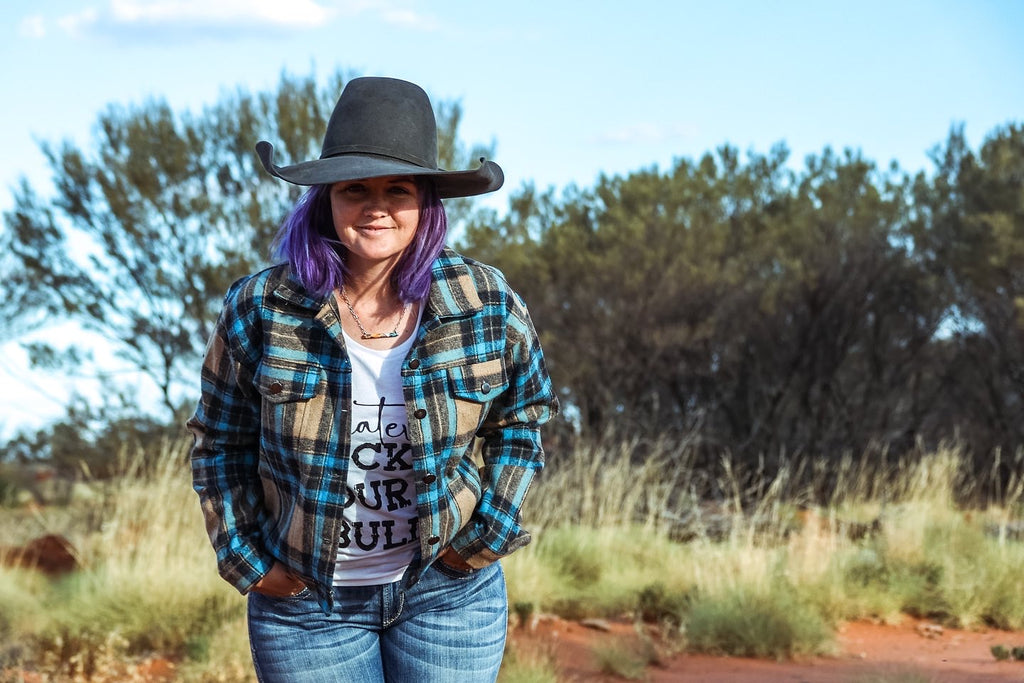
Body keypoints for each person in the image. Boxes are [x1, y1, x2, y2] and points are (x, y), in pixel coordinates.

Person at [187, 76, 558, 682]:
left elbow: (525, 420)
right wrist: (249, 562)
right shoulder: (262, 306)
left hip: (449, 593)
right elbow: (219, 443)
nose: (376, 206)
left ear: (426, 202)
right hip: (307, 606)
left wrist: (487, 537)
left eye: (398, 188)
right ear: (325, 198)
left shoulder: (484, 300)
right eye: (355, 187)